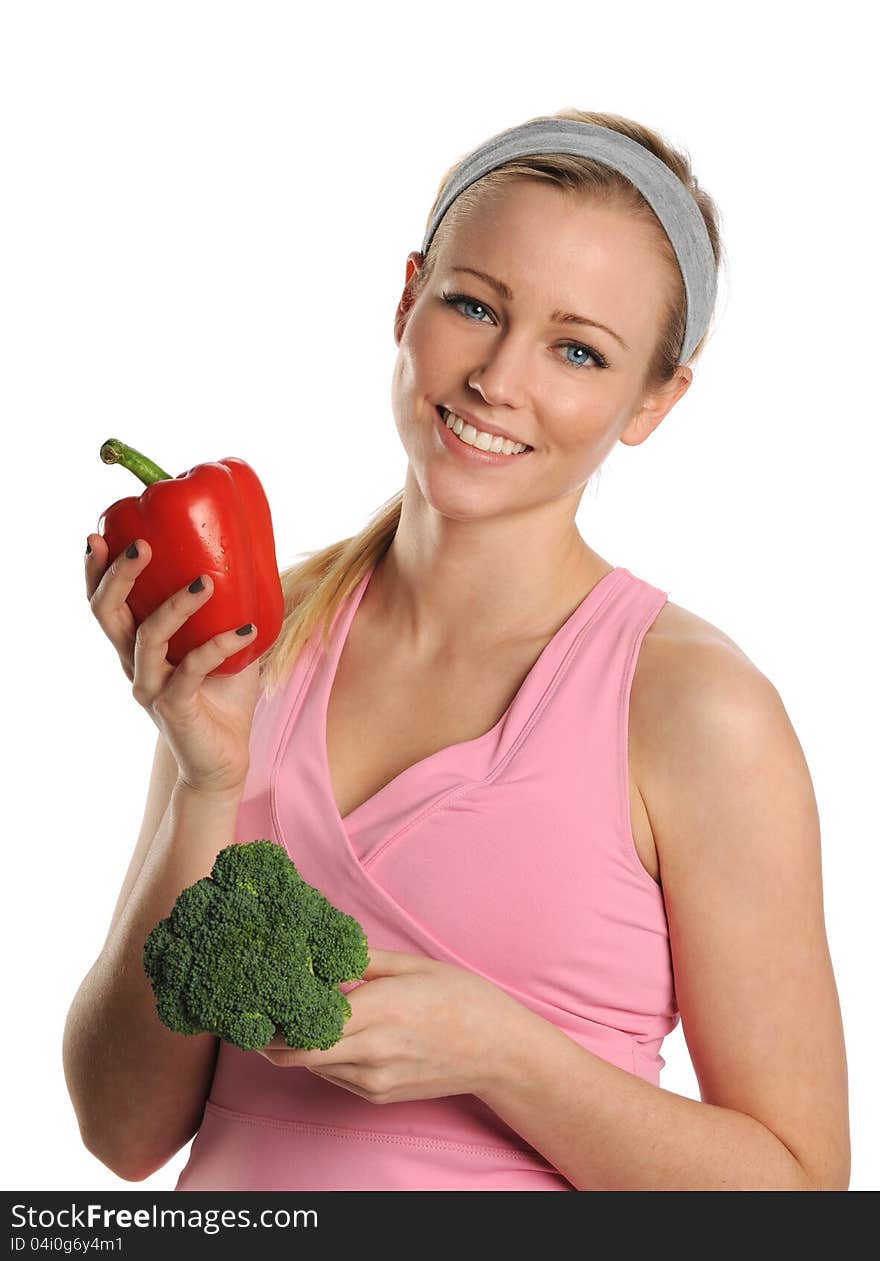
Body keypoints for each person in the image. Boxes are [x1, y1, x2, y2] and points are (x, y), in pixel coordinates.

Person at [64, 107, 850, 1191]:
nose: (497, 379)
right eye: (474, 305)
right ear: (407, 297)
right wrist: (210, 778)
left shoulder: (693, 707)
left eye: (579, 350)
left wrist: (501, 1053)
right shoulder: (259, 635)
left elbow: (800, 1191)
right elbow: (123, 1132)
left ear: (654, 400)